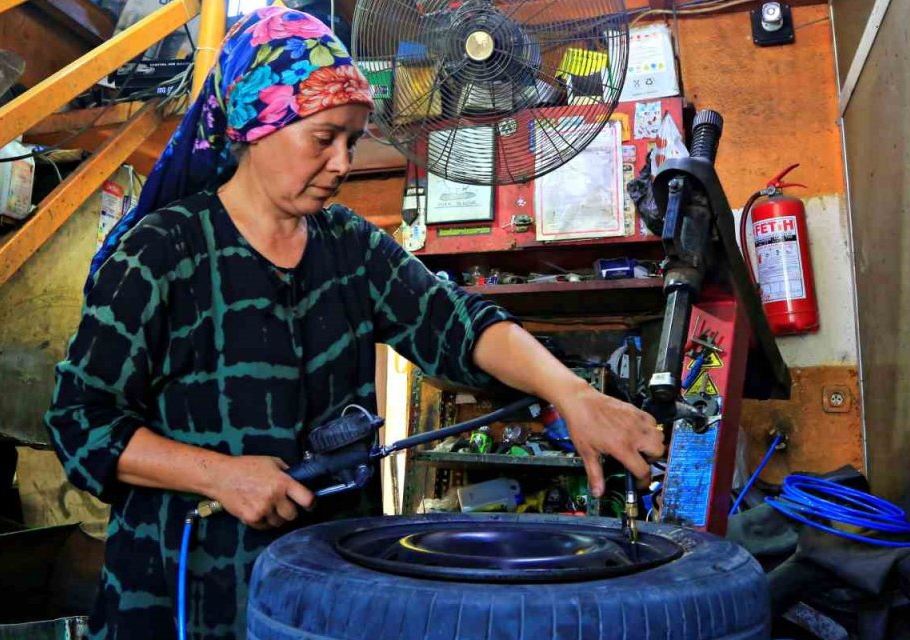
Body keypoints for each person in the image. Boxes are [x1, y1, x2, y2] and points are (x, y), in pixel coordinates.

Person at [45, 6, 665, 639]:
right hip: (178, 590)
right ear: (257, 123)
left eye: (352, 140)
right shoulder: (159, 252)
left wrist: (572, 393)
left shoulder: (349, 245)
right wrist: (220, 475)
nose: (343, 162)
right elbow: (80, 421)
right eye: (325, 138)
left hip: (322, 598)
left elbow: (456, 322)